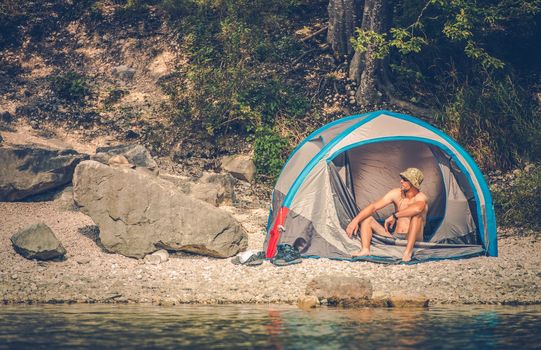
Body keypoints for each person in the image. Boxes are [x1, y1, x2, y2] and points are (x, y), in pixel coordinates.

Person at [345, 168, 428, 262]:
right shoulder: (397, 193)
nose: (401, 181)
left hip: (413, 239)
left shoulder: (421, 197)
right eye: (402, 178)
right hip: (395, 237)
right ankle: (365, 250)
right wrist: (355, 221)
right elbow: (374, 207)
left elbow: (417, 209)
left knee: (417, 216)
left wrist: (395, 216)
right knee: (367, 219)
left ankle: (407, 252)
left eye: (405, 179)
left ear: (413, 183)